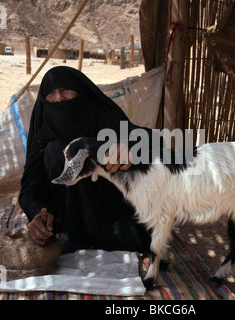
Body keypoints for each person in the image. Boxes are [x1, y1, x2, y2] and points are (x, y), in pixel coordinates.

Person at [18, 66, 152, 253]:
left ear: (79, 91)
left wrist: (128, 147)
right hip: (65, 215)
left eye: (65, 90)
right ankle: (77, 229)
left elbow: (151, 140)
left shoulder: (102, 116)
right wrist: (38, 211)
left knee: (140, 237)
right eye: (52, 94)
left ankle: (95, 233)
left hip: (108, 210)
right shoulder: (44, 131)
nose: (58, 98)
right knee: (56, 151)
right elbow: (30, 188)